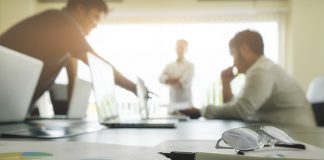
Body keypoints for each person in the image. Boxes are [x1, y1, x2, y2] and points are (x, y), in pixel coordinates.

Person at [0, 0, 137, 115]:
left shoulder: (66, 39)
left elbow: (73, 75)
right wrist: (134, 88)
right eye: (95, 16)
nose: (96, 24)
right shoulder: (62, 21)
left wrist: (72, 115)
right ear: (80, 9)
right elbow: (97, 63)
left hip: (11, 106)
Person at [181, 30, 316, 127]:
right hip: (289, 131)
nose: (233, 60)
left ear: (244, 49)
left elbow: (241, 111)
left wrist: (202, 111)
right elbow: (236, 106)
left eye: (233, 54)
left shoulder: (261, 71)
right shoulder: (261, 68)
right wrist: (226, 82)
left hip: (299, 135)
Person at [159, 39, 194, 113]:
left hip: (186, 106)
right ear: (175, 49)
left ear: (186, 49)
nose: (180, 50)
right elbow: (161, 79)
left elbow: (182, 82)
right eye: (178, 47)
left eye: (182, 48)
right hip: (172, 105)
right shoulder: (169, 65)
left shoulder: (190, 66)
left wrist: (169, 79)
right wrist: (178, 78)